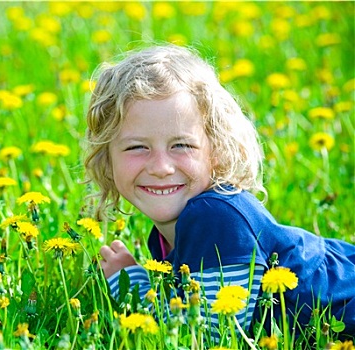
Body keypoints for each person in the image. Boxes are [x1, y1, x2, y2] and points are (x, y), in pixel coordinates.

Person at [83, 44, 355, 340]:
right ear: (107, 159)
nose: (161, 167)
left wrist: (131, 286)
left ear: (216, 149)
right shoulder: (171, 229)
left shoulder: (216, 218)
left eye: (181, 145)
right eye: (137, 147)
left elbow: (207, 335)